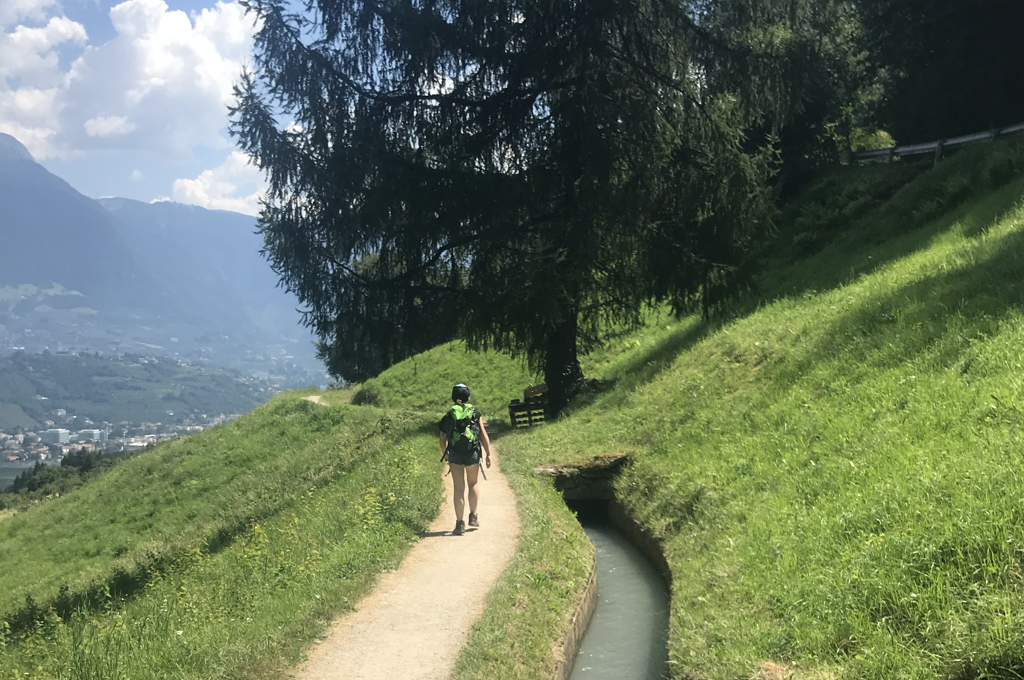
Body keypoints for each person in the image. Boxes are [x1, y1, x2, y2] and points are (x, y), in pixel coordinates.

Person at [438, 383, 492, 535]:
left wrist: (446, 453)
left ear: (453, 397)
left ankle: (459, 523)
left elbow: (442, 438)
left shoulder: (449, 414)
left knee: (458, 488)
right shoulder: (474, 413)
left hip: (455, 452)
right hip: (472, 452)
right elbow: (483, 434)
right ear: (468, 397)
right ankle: (473, 517)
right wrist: (488, 454)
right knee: (473, 483)